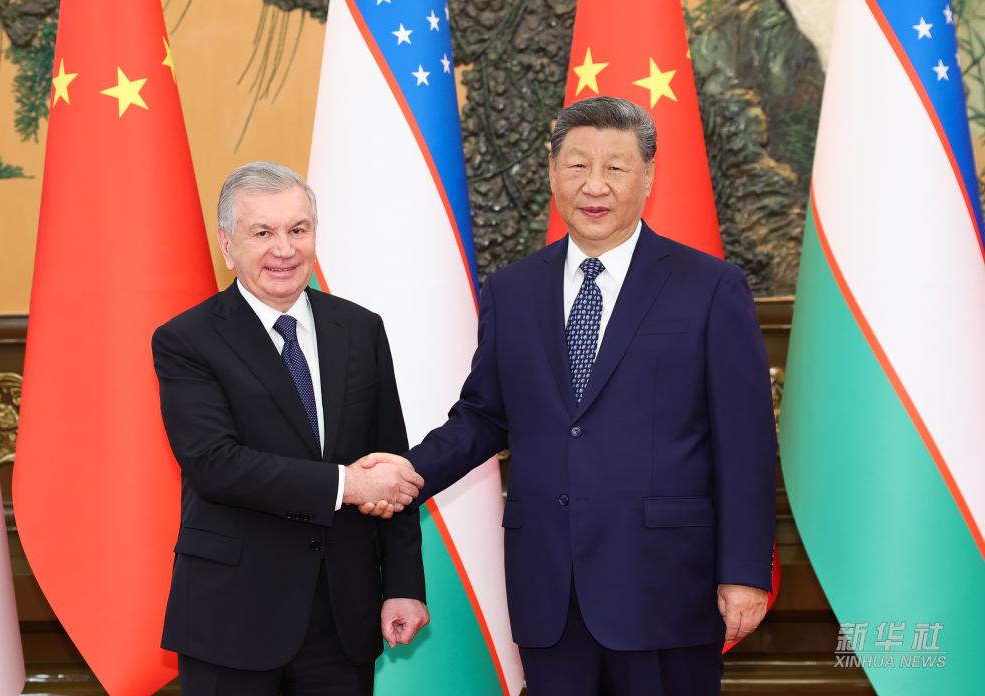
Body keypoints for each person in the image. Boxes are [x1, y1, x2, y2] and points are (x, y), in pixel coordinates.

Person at [361, 96, 777, 695]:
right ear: (553, 172)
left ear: (648, 177)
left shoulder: (710, 287)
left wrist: (744, 572)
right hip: (549, 590)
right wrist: (407, 473)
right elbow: (483, 416)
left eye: (616, 167)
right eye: (578, 165)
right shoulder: (512, 290)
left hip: (665, 588)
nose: (595, 185)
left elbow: (746, 445)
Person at [152, 161, 429, 695]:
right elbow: (215, 465)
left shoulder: (361, 329)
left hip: (343, 617)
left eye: (298, 230)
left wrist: (402, 585)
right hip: (233, 617)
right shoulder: (186, 340)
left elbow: (390, 463)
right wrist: (347, 485)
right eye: (263, 233)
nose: (284, 249)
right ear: (227, 245)